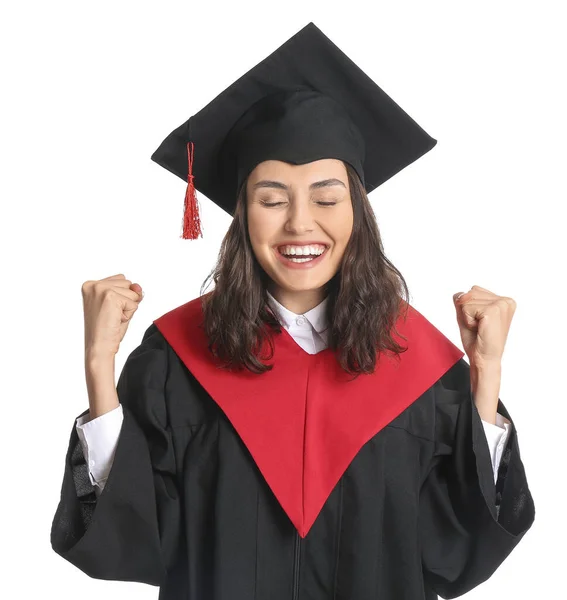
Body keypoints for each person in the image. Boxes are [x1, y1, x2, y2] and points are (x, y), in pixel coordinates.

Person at [50, 22, 535, 600]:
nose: (301, 223)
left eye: (326, 198)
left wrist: (485, 380)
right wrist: (100, 366)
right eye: (272, 199)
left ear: (357, 210)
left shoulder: (424, 370)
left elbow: (455, 554)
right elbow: (133, 545)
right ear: (241, 214)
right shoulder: (174, 362)